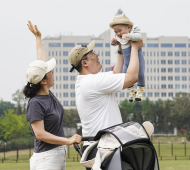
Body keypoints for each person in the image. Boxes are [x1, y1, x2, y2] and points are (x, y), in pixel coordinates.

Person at [68, 30, 143, 153]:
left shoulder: (88, 81)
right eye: (92, 53)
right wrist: (134, 48)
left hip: (100, 146)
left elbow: (116, 74)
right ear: (84, 62)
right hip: (102, 148)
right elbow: (132, 77)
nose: (97, 55)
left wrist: (120, 47)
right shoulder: (93, 82)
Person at [24, 21, 82, 170]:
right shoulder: (36, 103)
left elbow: (41, 62)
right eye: (50, 71)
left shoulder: (47, 93)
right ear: (43, 81)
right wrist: (67, 140)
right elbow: (40, 135)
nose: (53, 72)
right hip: (45, 160)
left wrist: (38, 38)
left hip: (56, 156)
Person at [110, 13, 145, 102]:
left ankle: (140, 90)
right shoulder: (120, 37)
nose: (118, 33)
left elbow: (138, 37)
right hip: (126, 62)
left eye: (120, 30)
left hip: (137, 61)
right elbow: (121, 43)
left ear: (128, 27)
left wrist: (129, 36)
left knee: (140, 74)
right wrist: (115, 42)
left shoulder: (133, 31)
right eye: (116, 32)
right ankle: (132, 90)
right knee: (124, 77)